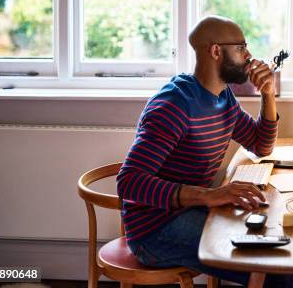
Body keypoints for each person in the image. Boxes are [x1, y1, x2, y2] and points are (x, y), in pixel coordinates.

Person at [116, 16, 278, 285]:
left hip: (191, 212)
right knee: (273, 269)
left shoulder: (223, 98)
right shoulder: (174, 105)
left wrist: (268, 94)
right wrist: (210, 195)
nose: (249, 56)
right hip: (155, 231)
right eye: (241, 48)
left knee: (282, 253)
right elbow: (128, 182)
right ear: (216, 51)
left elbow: (261, 145)